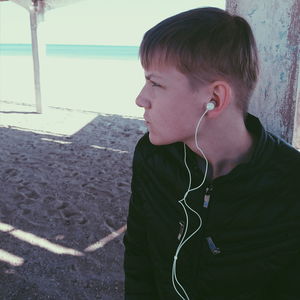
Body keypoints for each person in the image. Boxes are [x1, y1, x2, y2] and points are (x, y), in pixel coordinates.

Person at [123, 7, 300, 300]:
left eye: (155, 83)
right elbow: (139, 255)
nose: (141, 99)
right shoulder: (152, 157)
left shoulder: (291, 186)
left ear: (214, 99)